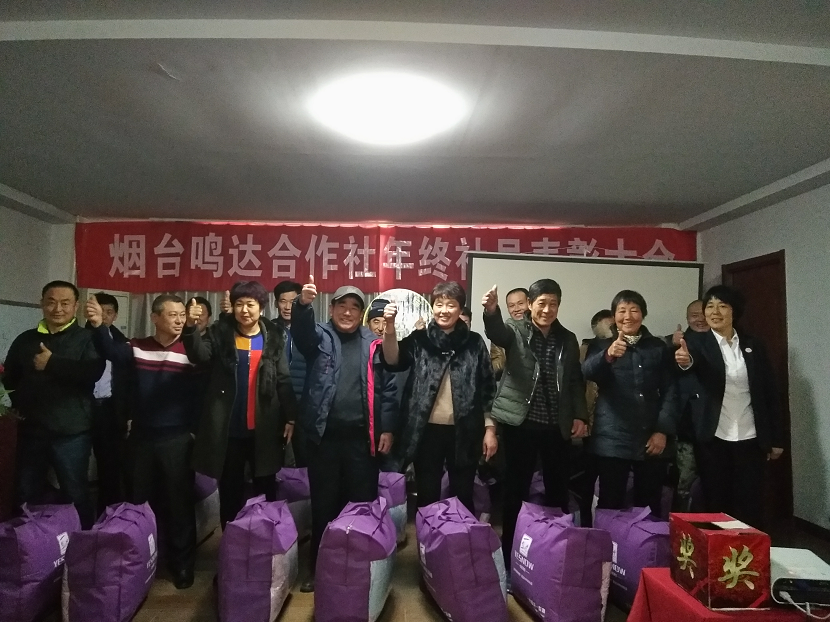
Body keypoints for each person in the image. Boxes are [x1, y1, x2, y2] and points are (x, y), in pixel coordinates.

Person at [291, 278, 398, 593]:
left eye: (354, 307)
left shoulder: (373, 342)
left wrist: (387, 428)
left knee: (360, 506)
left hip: (362, 441)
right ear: (332, 309)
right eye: (342, 306)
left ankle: (356, 569)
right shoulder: (319, 337)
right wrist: (302, 305)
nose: (347, 312)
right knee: (323, 506)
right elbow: (301, 333)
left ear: (361, 313)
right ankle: (319, 569)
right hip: (323, 439)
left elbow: (388, 388)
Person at [86, 294, 199, 589]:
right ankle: (140, 560)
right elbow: (110, 351)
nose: (179, 320)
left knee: (179, 504)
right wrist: (98, 326)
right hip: (141, 437)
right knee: (138, 501)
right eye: (172, 315)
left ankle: (182, 565)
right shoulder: (136, 346)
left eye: (182, 315)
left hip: (177, 438)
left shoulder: (191, 350)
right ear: (155, 317)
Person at [482, 279, 587, 562]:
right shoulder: (515, 329)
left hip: (556, 424)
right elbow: (497, 332)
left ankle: (552, 553)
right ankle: (510, 553)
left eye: (553, 304)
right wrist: (491, 311)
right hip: (521, 424)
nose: (547, 309)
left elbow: (575, 379)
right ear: (530, 304)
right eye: (542, 303)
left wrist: (580, 415)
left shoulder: (567, 338)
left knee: (557, 491)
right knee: (516, 490)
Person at [183, 281, 297, 529]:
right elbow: (199, 355)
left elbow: (283, 379)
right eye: (239, 304)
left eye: (250, 304)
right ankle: (231, 542)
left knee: (265, 489)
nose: (244, 310)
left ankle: (267, 540)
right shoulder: (220, 333)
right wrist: (190, 327)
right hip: (229, 429)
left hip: (264, 428)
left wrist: (291, 416)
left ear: (261, 307)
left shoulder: (273, 336)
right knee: (230, 491)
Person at [382, 281, 497, 515]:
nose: (444, 310)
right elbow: (393, 360)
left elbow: (488, 388)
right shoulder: (420, 339)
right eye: (439, 304)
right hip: (426, 432)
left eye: (451, 305)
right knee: (427, 494)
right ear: (432, 306)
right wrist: (390, 327)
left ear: (460, 309)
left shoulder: (474, 342)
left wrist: (490, 430)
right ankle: (428, 537)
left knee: (463, 494)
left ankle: (460, 536)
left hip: (465, 431)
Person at [675, 285, 783, 527]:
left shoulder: (753, 345)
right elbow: (689, 364)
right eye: (710, 306)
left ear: (735, 311)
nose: (714, 312)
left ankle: (746, 548)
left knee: (750, 502)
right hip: (714, 437)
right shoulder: (695, 343)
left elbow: (768, 392)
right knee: (716, 502)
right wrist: (685, 361)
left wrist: (776, 438)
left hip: (751, 436)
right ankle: (719, 550)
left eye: (722, 306)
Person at [3, 281, 104, 529]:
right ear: (42, 304)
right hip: (32, 429)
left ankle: (83, 542)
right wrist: (18, 404)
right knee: (25, 492)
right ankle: (27, 544)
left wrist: (52, 363)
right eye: (51, 302)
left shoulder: (87, 338)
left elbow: (92, 372)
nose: (58, 308)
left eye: (65, 303)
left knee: (75, 491)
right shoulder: (26, 339)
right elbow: (11, 377)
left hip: (71, 432)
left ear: (76, 306)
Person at [583, 290, 678, 516]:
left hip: (650, 436)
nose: (628, 316)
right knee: (610, 502)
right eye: (622, 311)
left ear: (643, 314)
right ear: (614, 316)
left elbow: (671, 390)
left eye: (634, 310)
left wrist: (662, 431)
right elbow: (587, 372)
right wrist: (607, 356)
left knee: (649, 505)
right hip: (612, 437)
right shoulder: (601, 345)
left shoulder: (657, 347)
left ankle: (644, 541)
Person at [86, 291, 130, 513]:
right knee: (74, 468)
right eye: (99, 311)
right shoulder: (79, 337)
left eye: (109, 312)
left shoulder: (123, 343)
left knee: (110, 468)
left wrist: (128, 415)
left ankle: (108, 516)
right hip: (82, 409)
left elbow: (129, 384)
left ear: (115, 316)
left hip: (110, 410)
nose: (103, 316)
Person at [666, 300, 709, 510]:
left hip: (717, 427)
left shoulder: (724, 342)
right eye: (694, 315)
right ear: (687, 318)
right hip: (686, 426)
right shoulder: (677, 343)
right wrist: (671, 344)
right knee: (685, 483)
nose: (699, 319)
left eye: (703, 314)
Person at [273, 280, 308, 467]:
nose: (287, 307)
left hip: (302, 404)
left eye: (292, 302)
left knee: (304, 459)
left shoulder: (311, 331)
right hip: (274, 404)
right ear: (276, 303)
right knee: (272, 459)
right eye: (282, 301)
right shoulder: (268, 330)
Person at [490, 288, 529, 380]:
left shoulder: (541, 328)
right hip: (512, 381)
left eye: (520, 304)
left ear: (530, 303)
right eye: (511, 306)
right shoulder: (503, 331)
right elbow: (497, 364)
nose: (516, 309)